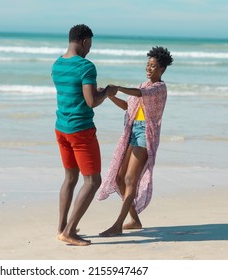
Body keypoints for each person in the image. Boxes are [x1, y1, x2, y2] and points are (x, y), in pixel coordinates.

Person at [97, 46, 173, 237]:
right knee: (119, 178)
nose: (149, 68)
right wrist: (110, 95)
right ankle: (134, 219)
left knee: (130, 179)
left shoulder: (159, 88)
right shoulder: (143, 85)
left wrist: (118, 88)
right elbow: (127, 106)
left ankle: (118, 224)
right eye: (147, 65)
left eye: (153, 66)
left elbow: (139, 95)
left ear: (162, 69)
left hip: (145, 134)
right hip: (132, 130)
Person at [51, 24, 116, 246]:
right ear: (85, 41)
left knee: (69, 178)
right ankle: (69, 232)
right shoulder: (86, 66)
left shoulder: (57, 64)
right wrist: (106, 92)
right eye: (90, 45)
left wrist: (94, 92)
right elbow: (91, 102)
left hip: (62, 128)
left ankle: (61, 227)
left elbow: (73, 93)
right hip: (81, 130)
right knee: (92, 180)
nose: (90, 50)